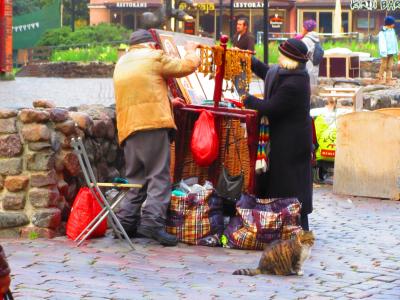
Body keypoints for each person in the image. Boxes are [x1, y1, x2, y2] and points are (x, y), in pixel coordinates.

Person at [113, 29, 200, 246]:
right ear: (151, 45)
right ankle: (152, 223)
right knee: (158, 177)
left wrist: (169, 103)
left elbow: (140, 93)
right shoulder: (153, 56)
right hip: (152, 126)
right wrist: (192, 52)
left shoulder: (122, 63)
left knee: (136, 180)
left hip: (128, 128)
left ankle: (124, 223)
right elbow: (186, 67)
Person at [243, 39, 313, 231]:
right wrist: (251, 61)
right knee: (282, 182)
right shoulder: (289, 74)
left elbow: (271, 108)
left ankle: (294, 224)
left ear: (290, 59)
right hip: (285, 138)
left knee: (289, 184)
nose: (279, 57)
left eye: (282, 54)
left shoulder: (295, 83)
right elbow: (268, 73)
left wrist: (247, 99)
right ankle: (282, 221)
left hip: (292, 142)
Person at [232, 18, 255, 96]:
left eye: (240, 24)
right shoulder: (235, 36)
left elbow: (250, 52)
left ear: (245, 26)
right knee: (234, 88)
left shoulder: (249, 37)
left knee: (242, 89)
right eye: (237, 24)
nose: (237, 26)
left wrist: (239, 51)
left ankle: (244, 105)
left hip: (243, 66)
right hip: (234, 66)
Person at [298, 19, 320, 95]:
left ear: (306, 29)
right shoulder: (316, 39)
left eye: (303, 27)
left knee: (307, 93)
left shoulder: (305, 40)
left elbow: (301, 54)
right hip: (315, 68)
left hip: (307, 68)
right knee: (313, 92)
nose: (301, 29)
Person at [377, 16, 399, 84]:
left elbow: (395, 41)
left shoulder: (392, 31)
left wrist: (397, 50)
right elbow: (382, 43)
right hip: (385, 52)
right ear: (389, 24)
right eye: (393, 23)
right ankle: (379, 77)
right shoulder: (382, 32)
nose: (394, 25)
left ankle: (388, 79)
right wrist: (384, 52)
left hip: (391, 52)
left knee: (390, 66)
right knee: (383, 65)